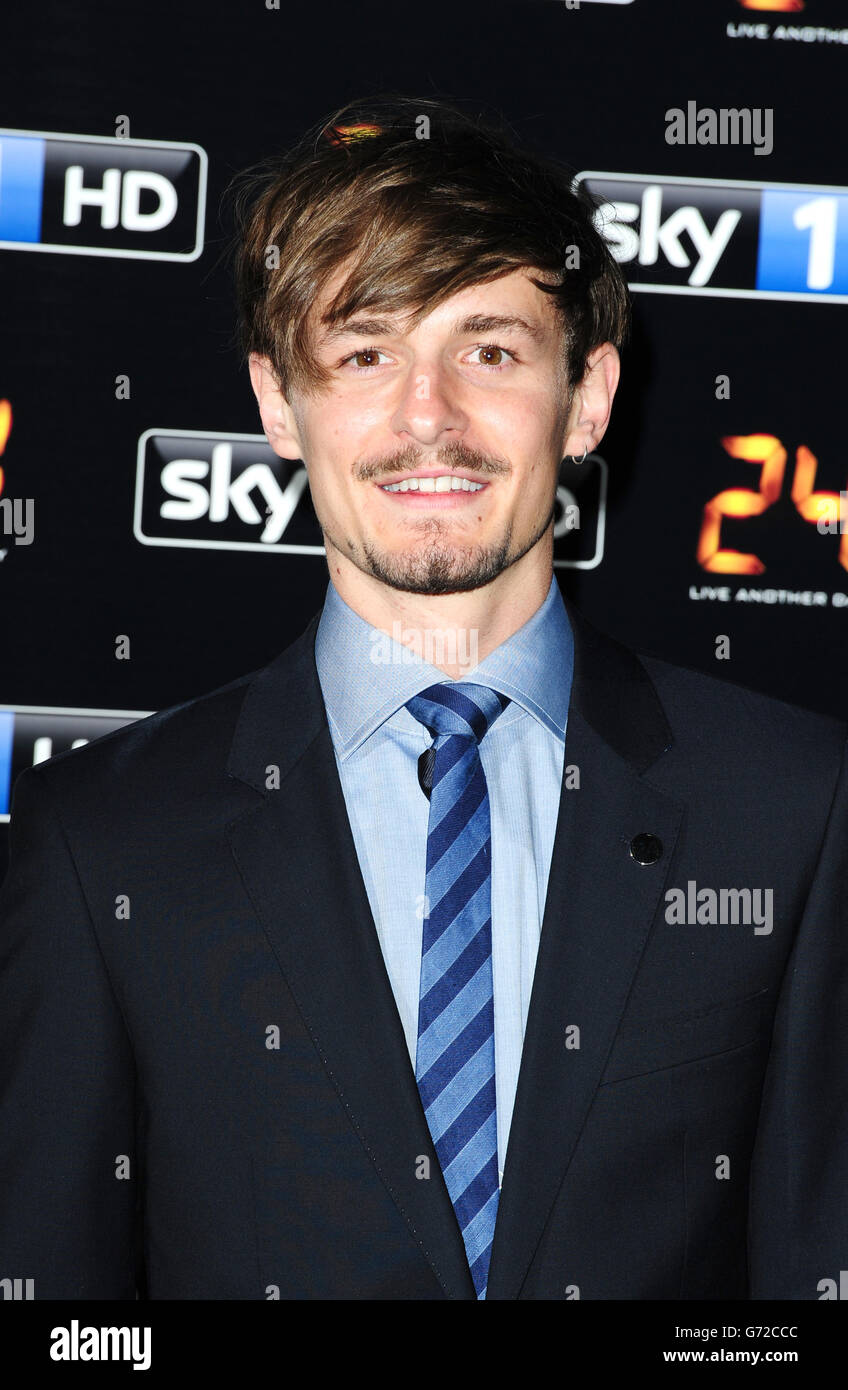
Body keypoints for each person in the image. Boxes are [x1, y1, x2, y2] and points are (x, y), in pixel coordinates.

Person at [1, 94, 846, 1302]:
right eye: (362, 352)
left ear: (589, 394)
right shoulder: (101, 843)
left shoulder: (793, 808)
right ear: (276, 405)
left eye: (489, 349)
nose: (426, 416)